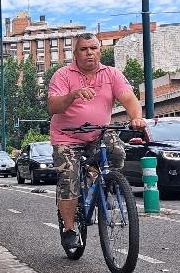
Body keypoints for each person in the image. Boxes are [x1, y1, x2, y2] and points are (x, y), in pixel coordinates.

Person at [47, 32, 148, 250]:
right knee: (68, 178)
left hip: (99, 132)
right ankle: (69, 229)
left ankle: (106, 184)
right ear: (75, 53)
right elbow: (53, 107)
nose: (89, 53)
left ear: (100, 51)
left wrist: (136, 117)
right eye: (83, 49)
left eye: (93, 48)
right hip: (67, 135)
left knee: (117, 152)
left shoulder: (111, 74)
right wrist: (73, 95)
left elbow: (129, 99)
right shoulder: (63, 75)